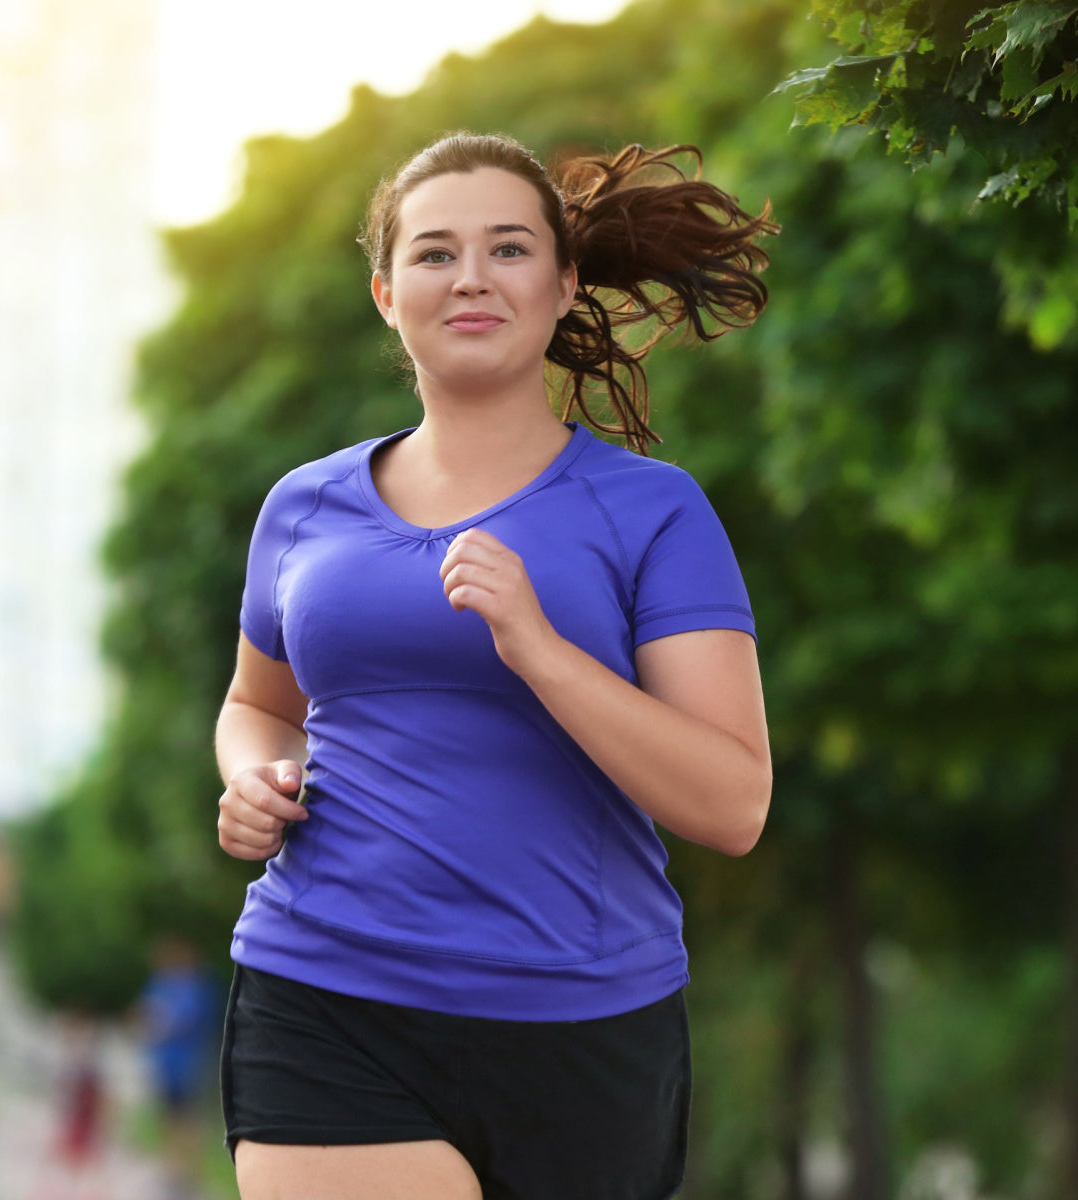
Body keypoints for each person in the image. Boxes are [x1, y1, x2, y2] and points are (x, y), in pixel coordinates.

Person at [215, 131, 776, 1200]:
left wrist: (542, 652)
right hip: (326, 989)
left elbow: (732, 803)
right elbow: (256, 705)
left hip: (583, 1025)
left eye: (508, 248)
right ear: (386, 294)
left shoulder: (655, 513)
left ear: (565, 285)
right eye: (433, 254)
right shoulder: (303, 505)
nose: (470, 276)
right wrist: (251, 775)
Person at [135, 936, 224, 1200]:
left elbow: (174, 1021)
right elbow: (145, 1017)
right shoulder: (160, 984)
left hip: (189, 1064)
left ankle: (188, 1172)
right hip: (164, 1063)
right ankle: (172, 1168)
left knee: (188, 1118)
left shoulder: (198, 987)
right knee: (168, 1117)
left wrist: (155, 1021)